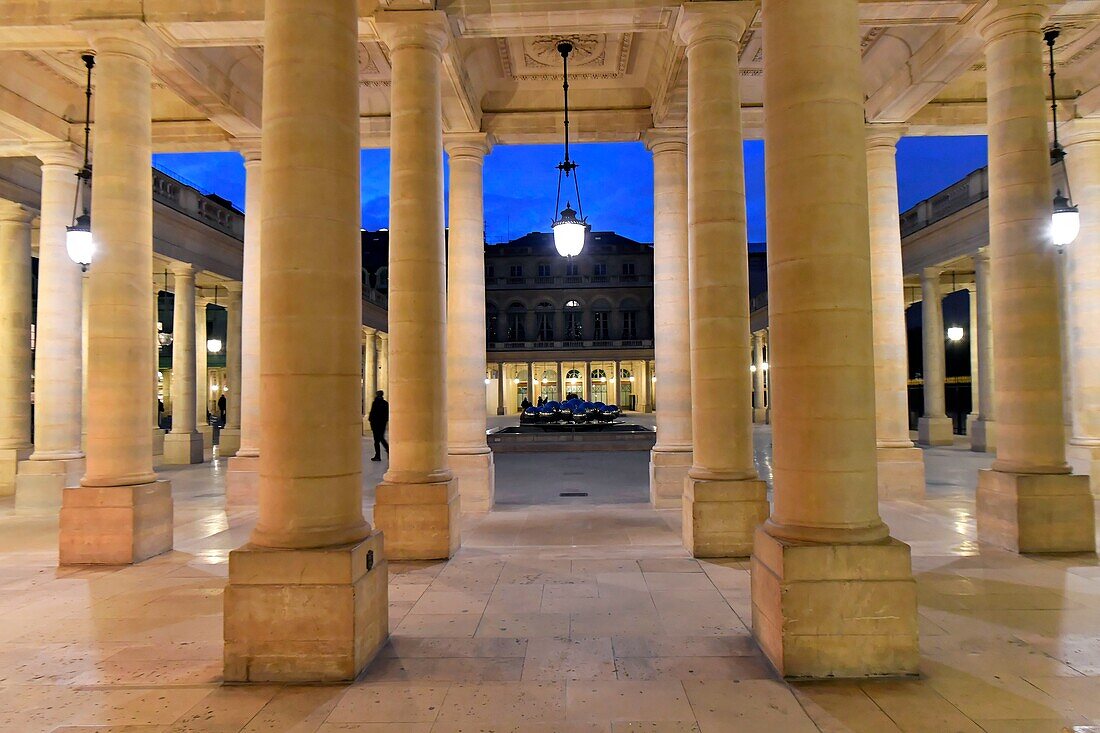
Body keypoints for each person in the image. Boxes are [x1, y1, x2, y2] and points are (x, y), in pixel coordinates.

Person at [368, 390, 389, 461]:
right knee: (381, 438)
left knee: (377, 440)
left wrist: (371, 421)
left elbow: (372, 413)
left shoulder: (375, 403)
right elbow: (387, 414)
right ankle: (388, 450)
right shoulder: (385, 403)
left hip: (376, 424)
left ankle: (378, 455)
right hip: (382, 424)